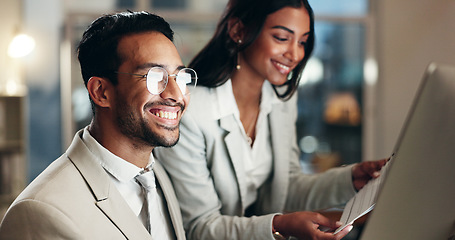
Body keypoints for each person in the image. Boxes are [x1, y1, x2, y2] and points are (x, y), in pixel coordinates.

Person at [153, 0, 386, 239]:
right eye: (281, 38)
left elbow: (287, 186)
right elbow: (199, 227)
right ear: (238, 31)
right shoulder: (191, 112)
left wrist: (350, 180)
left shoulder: (281, 101)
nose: (295, 54)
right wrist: (278, 225)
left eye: (303, 42)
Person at [0, 11, 197, 239]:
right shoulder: (39, 211)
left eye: (180, 77)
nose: (176, 95)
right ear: (101, 92)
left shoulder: (158, 176)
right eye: (154, 77)